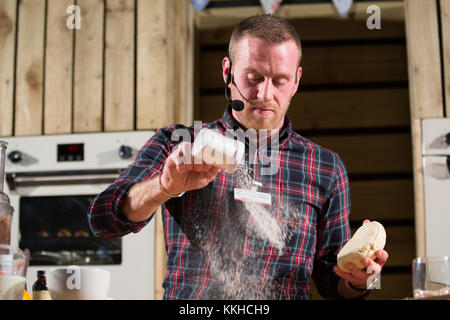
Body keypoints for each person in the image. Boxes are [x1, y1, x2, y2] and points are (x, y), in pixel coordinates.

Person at [88, 14, 388, 300]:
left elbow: (334, 284)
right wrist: (164, 187)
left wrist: (365, 280)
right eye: (253, 77)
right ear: (227, 71)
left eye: (280, 80)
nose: (264, 94)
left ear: (296, 81)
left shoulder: (326, 167)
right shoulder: (180, 142)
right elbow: (101, 220)